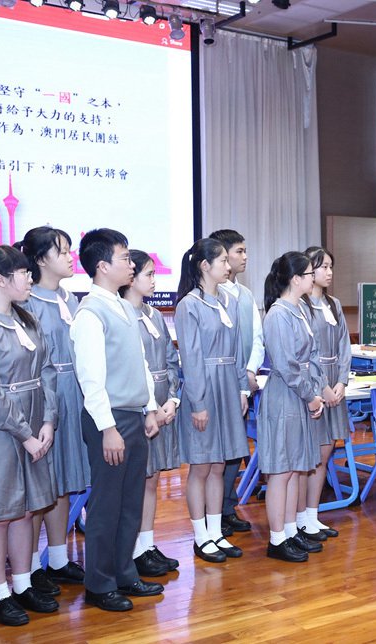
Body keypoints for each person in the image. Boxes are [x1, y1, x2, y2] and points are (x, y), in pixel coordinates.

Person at [69, 229, 162, 611]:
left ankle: (125, 573)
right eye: (124, 258)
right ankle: (99, 584)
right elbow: (91, 378)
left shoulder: (125, 307)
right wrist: (108, 429)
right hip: (109, 420)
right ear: (103, 266)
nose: (130, 264)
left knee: (129, 502)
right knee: (107, 506)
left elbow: (140, 364)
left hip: (134, 416)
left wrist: (152, 407)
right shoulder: (90, 313)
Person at [0, 245, 59, 626]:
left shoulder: (28, 318)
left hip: (34, 425)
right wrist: (25, 433)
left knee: (26, 509)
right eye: (23, 273)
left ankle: (23, 584)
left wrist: (48, 421)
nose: (28, 279)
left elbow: (48, 372)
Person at [16, 226, 87, 595]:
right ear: (41, 259)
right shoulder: (27, 301)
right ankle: (28, 568)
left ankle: (58, 559)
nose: (69, 257)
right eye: (62, 252)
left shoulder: (71, 299)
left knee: (63, 483)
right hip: (45, 399)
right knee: (41, 488)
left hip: (73, 395)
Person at [174, 238, 249, 564]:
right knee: (202, 466)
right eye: (221, 261)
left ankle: (216, 531)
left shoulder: (227, 302)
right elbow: (190, 358)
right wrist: (199, 402)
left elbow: (238, 351)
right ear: (204, 266)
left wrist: (240, 390)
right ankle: (200, 535)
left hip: (227, 387)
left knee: (220, 464)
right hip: (203, 388)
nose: (228, 266)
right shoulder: (189, 305)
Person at [259, 251, 325, 562]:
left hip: (301, 394)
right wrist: (310, 394)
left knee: (295, 467)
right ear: (295, 279)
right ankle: (276, 539)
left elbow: (312, 356)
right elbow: (286, 364)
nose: (315, 278)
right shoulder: (277, 314)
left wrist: (316, 390)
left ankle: (289, 532)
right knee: (281, 471)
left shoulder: (300, 310)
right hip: (285, 395)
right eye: (311, 273)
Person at [119, 250, 180, 576]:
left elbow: (171, 363)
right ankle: (131, 550)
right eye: (148, 275)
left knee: (152, 482)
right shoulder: (121, 315)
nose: (155, 281)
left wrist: (172, 400)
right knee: (136, 483)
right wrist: (150, 411)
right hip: (139, 413)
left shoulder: (156, 315)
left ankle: (147, 543)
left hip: (161, 410)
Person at [209, 229, 263, 536]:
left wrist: (251, 371)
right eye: (239, 251)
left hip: (243, 381)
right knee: (217, 454)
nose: (245, 257)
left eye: (245, 251)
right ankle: (214, 514)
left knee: (235, 448)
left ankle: (228, 507)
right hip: (220, 383)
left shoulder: (245, 294)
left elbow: (256, 337)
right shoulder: (211, 295)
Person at [300, 246, 349, 540]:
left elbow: (344, 345)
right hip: (315, 383)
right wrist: (323, 388)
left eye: (331, 266)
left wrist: (342, 380)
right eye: (323, 267)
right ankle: (301, 517)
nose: (328, 272)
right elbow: (307, 352)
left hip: (335, 381)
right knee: (313, 452)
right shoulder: (301, 306)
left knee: (328, 449)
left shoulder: (335, 304)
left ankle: (312, 514)